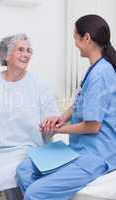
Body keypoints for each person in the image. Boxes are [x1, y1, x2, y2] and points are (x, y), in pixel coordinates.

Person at [16, 15, 116, 200]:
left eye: (75, 38)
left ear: (86, 38)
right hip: (78, 149)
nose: (74, 43)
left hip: (96, 155)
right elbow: (79, 102)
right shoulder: (94, 69)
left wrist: (58, 129)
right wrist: (61, 118)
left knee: (34, 193)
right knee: (24, 170)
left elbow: (93, 126)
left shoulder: (101, 74)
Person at [0, 33, 59, 200]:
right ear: (5, 55)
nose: (26, 54)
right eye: (20, 50)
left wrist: (51, 122)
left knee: (11, 173)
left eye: (29, 50)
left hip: (27, 149)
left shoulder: (39, 85)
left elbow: (52, 116)